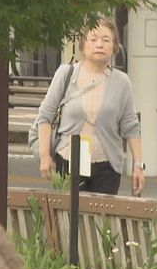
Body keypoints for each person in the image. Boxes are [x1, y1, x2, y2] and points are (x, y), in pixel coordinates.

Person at [35, 19, 145, 196]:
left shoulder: (122, 82)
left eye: (106, 40)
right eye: (93, 39)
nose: (99, 44)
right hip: (69, 159)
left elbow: (131, 126)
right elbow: (45, 117)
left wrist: (139, 165)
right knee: (70, 219)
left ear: (115, 46)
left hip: (107, 165)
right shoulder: (66, 74)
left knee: (102, 220)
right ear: (83, 44)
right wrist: (45, 156)